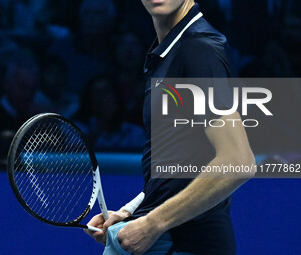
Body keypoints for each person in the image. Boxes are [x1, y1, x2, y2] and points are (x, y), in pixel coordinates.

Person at [85, 1, 255, 254]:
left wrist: (153, 223)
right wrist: (130, 211)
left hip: (184, 242)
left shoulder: (199, 48)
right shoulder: (170, 50)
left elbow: (238, 162)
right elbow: (182, 166)